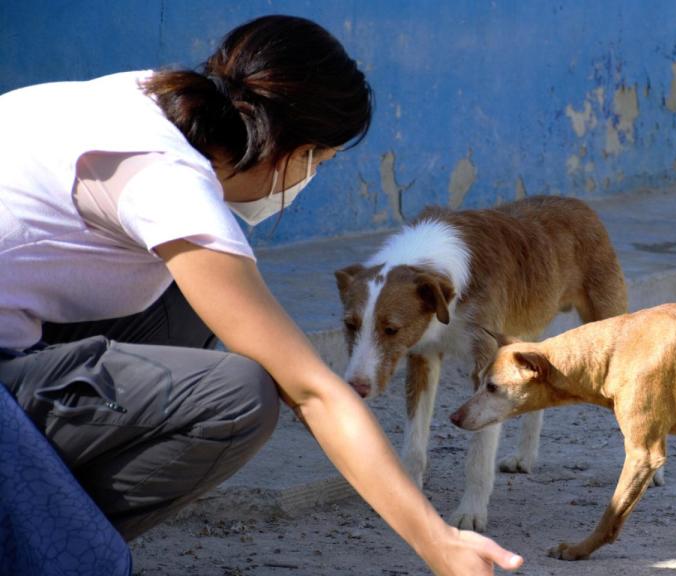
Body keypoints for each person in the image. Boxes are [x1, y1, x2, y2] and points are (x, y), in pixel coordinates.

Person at [0, 14, 523, 575]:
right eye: (319, 162)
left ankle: (39, 504)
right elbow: (314, 390)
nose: (310, 177)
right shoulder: (168, 182)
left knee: (201, 300)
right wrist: (436, 542)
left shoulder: (152, 100)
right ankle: (44, 537)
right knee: (238, 396)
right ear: (290, 150)